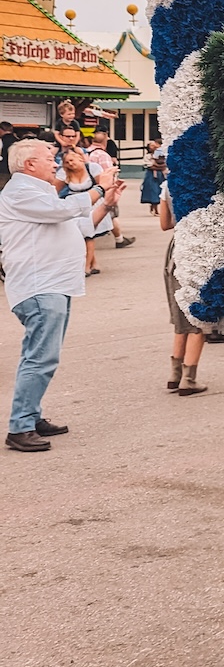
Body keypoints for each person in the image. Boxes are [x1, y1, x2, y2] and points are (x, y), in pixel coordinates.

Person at [0, 137, 124, 451]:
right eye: (48, 158)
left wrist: (107, 202)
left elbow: (83, 225)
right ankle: (20, 427)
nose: (55, 164)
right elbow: (63, 211)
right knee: (41, 357)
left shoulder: (40, 195)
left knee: (38, 355)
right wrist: (98, 186)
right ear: (29, 165)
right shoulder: (20, 192)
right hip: (40, 286)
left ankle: (30, 414)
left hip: (53, 285)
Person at [159, 181, 206, 395]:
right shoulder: (203, 181)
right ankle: (189, 378)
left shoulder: (167, 185)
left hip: (176, 247)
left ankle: (175, 374)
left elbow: (164, 223)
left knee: (180, 318)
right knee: (198, 317)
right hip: (199, 248)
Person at [57, 140, 109, 275]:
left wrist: (108, 202)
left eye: (72, 160)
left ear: (79, 158)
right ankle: (93, 263)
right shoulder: (65, 173)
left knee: (88, 235)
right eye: (67, 162)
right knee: (84, 235)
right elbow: (55, 189)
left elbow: (103, 185)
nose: (70, 164)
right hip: (76, 204)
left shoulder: (92, 168)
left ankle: (87, 266)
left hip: (94, 203)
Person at [85, 126, 135, 248]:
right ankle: (119, 239)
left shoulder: (85, 153)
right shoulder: (102, 155)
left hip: (88, 189)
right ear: (106, 139)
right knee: (109, 213)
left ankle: (119, 238)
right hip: (102, 190)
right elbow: (109, 174)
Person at [140, 138, 165, 212]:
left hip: (161, 175)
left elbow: (165, 164)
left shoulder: (160, 155)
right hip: (151, 175)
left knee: (159, 191)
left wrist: (160, 166)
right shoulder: (148, 156)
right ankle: (154, 209)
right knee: (153, 191)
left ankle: (155, 207)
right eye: (152, 146)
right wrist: (159, 166)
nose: (154, 147)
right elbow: (150, 166)